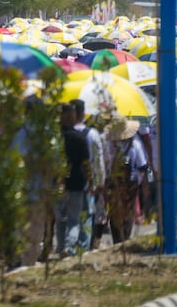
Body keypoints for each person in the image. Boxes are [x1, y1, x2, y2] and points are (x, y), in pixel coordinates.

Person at [104, 115, 148, 244]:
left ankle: (117, 239)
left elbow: (105, 163)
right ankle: (126, 239)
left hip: (112, 182)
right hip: (131, 183)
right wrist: (145, 183)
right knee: (128, 211)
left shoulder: (108, 143)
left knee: (113, 210)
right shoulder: (135, 144)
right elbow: (143, 166)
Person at [70, 99, 104, 252]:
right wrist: (100, 182)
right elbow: (98, 160)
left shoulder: (65, 133)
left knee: (70, 218)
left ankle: (68, 247)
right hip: (88, 182)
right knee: (87, 216)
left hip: (68, 183)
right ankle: (82, 248)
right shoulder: (92, 134)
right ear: (83, 113)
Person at [56, 103, 89, 257]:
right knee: (74, 219)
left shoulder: (55, 138)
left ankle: (61, 245)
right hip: (76, 183)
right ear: (74, 117)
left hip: (58, 184)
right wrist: (91, 182)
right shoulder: (80, 138)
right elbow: (85, 164)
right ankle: (68, 247)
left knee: (60, 218)